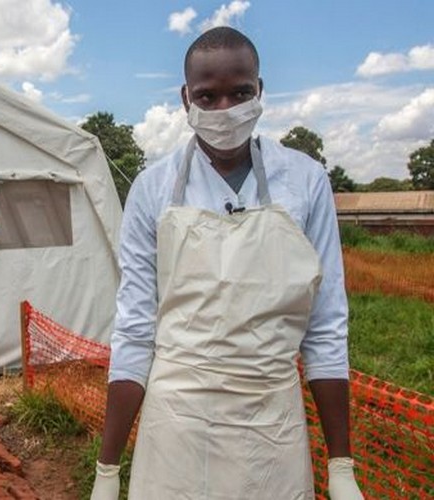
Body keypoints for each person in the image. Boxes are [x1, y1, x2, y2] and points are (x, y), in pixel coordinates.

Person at [90, 27, 364, 499]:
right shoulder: (153, 189)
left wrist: (341, 465)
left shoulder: (304, 181)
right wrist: (107, 469)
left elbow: (325, 327)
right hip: (176, 423)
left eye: (239, 93)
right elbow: (135, 330)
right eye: (207, 96)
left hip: (270, 426)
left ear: (259, 91)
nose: (224, 110)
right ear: (185, 99)